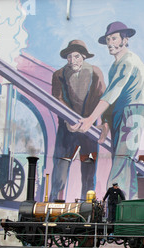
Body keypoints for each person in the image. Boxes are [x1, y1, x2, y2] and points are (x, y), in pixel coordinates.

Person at [72, 22, 144, 200]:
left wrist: (91, 119)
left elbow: (114, 90)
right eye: (108, 40)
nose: (110, 43)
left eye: (114, 38)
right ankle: (130, 204)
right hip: (118, 114)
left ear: (125, 39)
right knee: (124, 163)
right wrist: (105, 122)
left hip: (132, 113)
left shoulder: (129, 61)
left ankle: (113, 206)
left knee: (122, 161)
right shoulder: (115, 66)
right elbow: (112, 96)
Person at [50, 40, 106, 202]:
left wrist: (96, 122)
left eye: (76, 56)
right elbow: (57, 99)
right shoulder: (59, 75)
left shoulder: (95, 73)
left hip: (89, 133)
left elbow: (103, 99)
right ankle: (55, 203)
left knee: (88, 171)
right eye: (69, 57)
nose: (72, 60)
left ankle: (87, 206)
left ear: (83, 57)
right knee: (60, 168)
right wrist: (68, 120)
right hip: (66, 131)